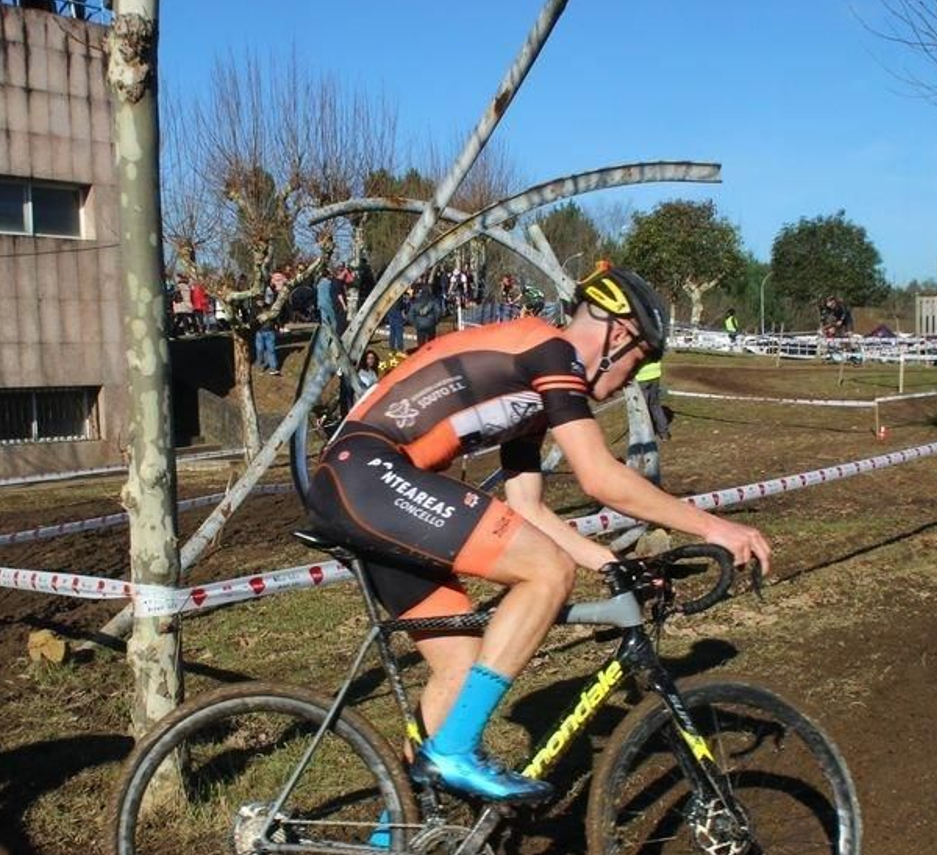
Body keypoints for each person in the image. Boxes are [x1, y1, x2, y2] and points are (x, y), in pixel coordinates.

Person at [305, 263, 770, 805]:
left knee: (460, 665)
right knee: (547, 570)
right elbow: (599, 477)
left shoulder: (531, 386)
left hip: (364, 487)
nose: (630, 379)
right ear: (617, 334)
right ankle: (454, 751)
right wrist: (715, 526)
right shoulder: (552, 352)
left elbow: (528, 506)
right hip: (366, 475)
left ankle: (396, 843)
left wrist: (611, 564)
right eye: (638, 360)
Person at [253, 283, 280, 376]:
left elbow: (274, 317)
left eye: (261, 300)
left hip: (270, 331)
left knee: (271, 350)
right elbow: (252, 321)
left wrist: (277, 325)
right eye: (258, 301)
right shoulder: (254, 310)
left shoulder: (269, 307)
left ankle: (273, 368)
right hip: (259, 332)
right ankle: (260, 367)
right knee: (260, 350)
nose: (260, 302)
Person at [408, 281, 443, 347]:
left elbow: (410, 314)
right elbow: (439, 312)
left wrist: (415, 324)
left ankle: (422, 352)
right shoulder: (433, 300)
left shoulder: (416, 301)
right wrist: (435, 321)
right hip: (431, 324)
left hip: (420, 325)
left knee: (421, 344)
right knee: (431, 344)